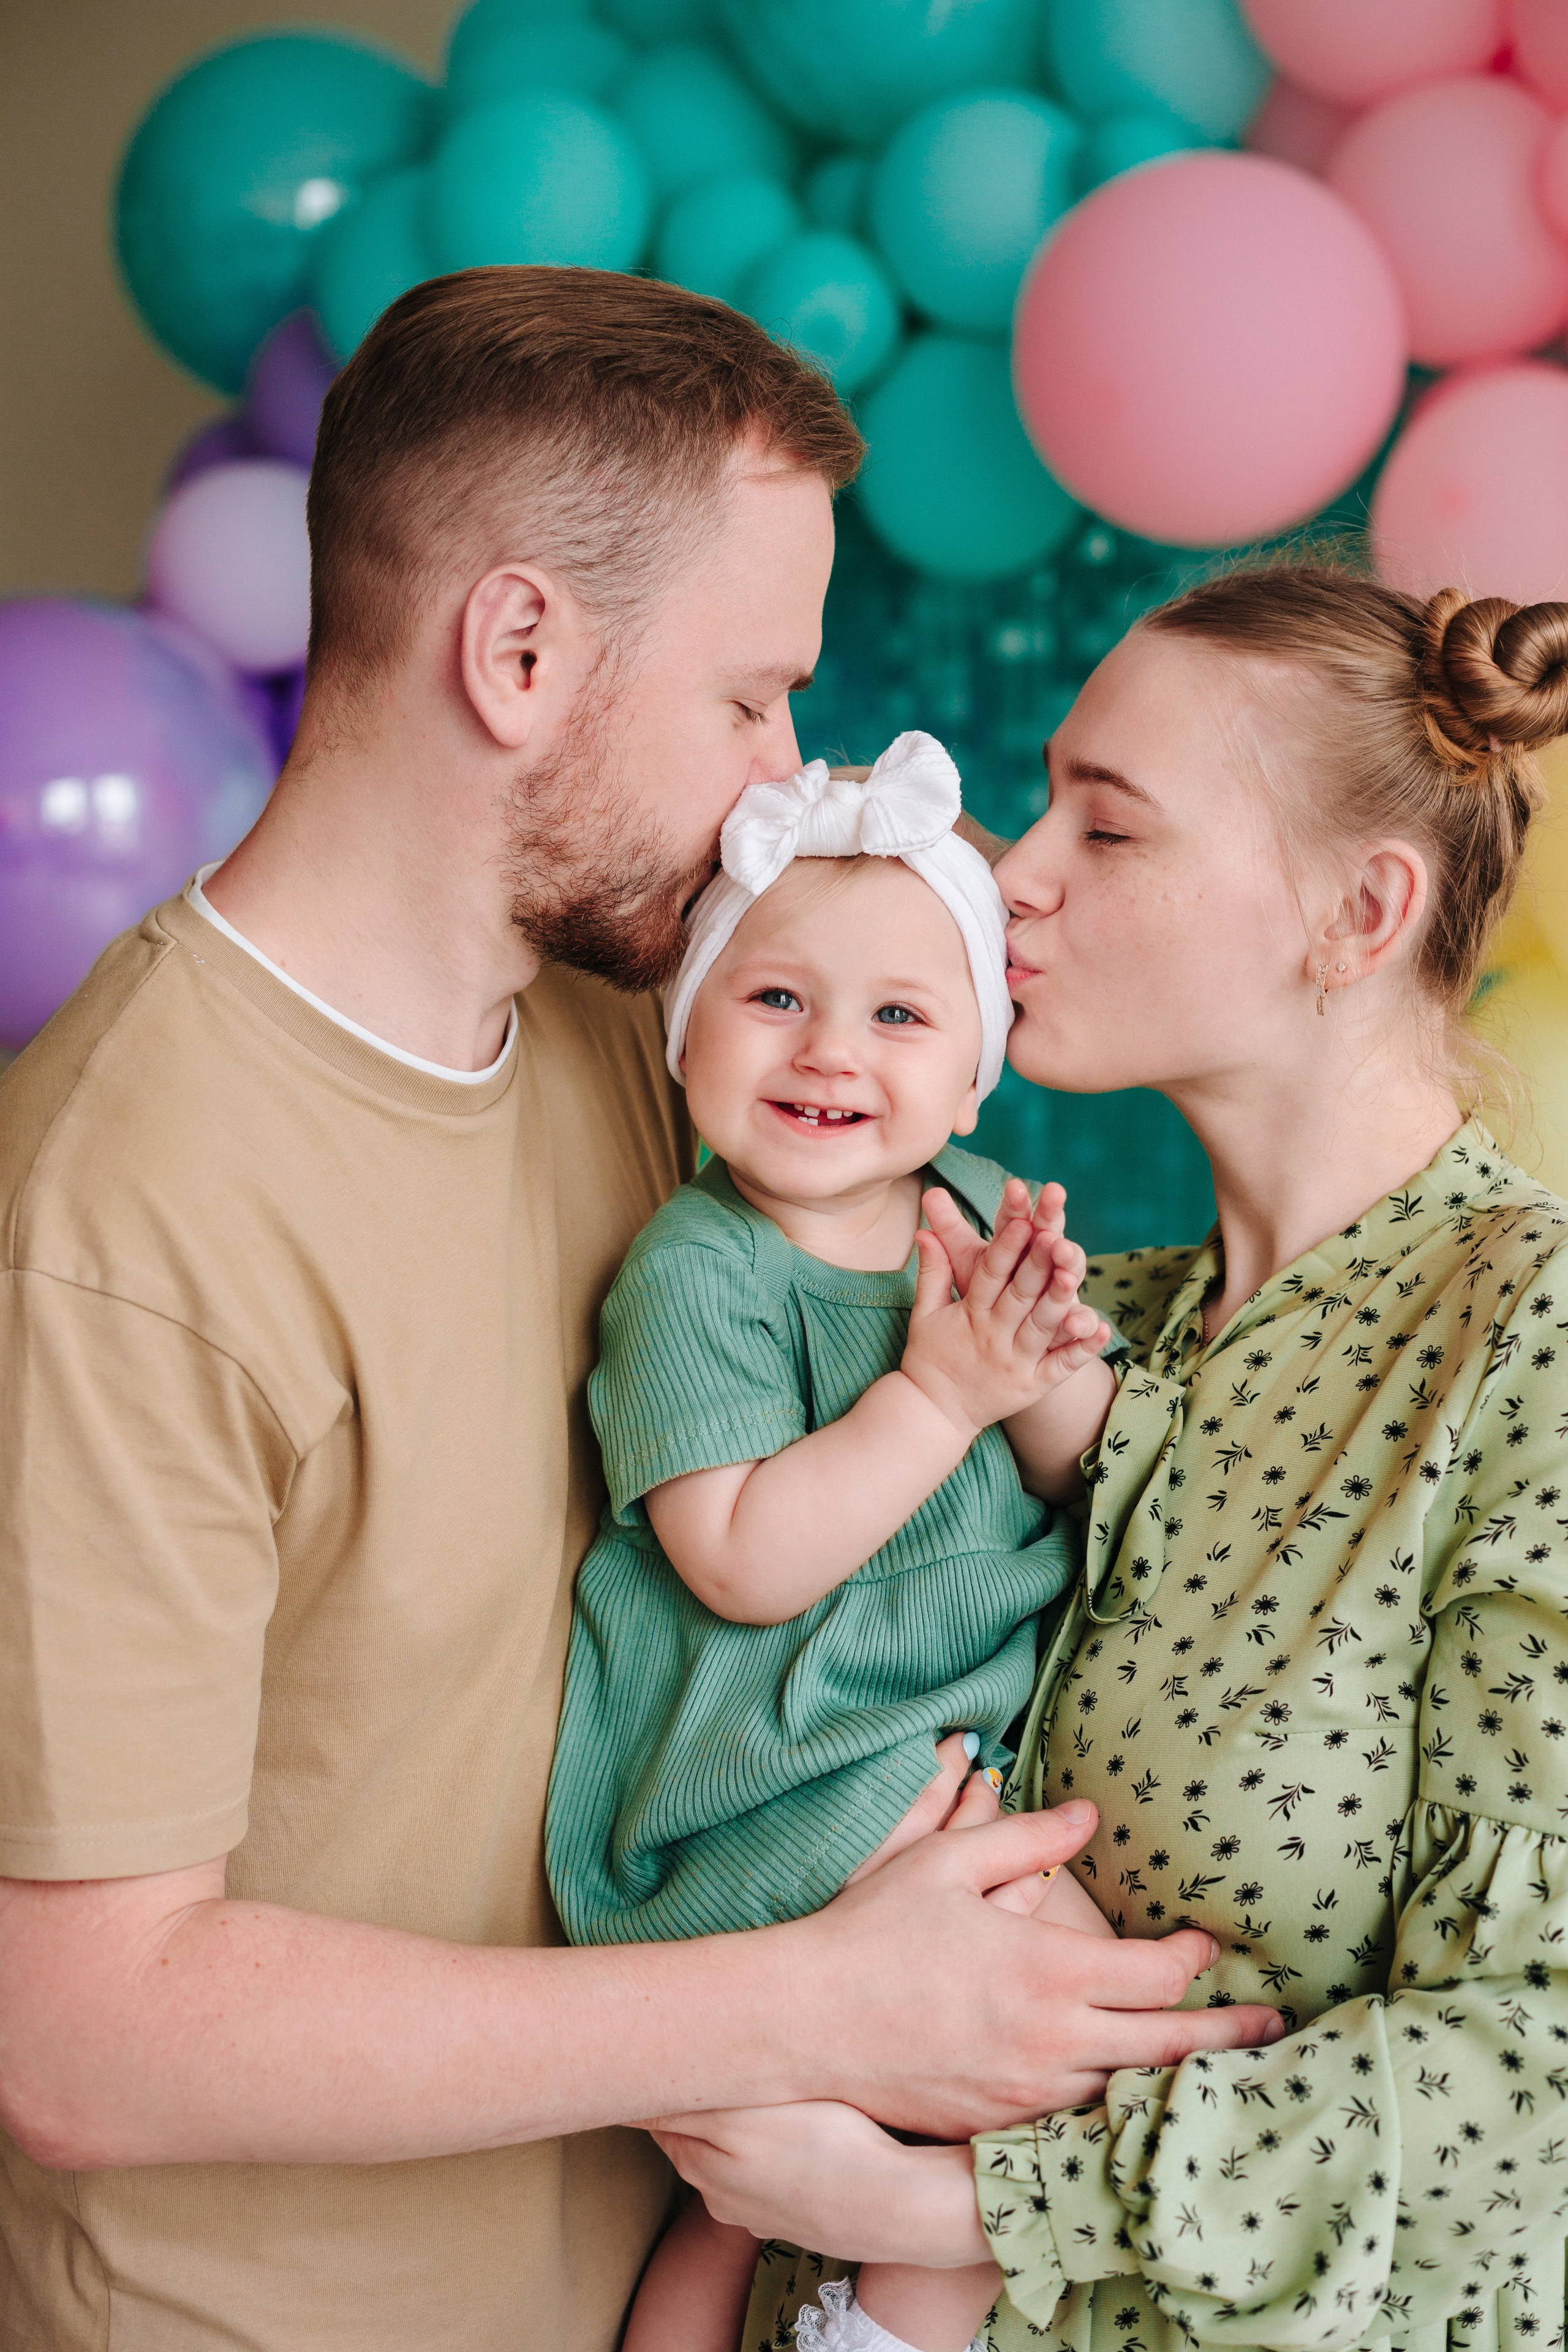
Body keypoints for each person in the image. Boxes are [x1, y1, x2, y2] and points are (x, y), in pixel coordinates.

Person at [0, 268, 1280, 2352]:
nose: (784, 775)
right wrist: (822, 2000)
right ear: (519, 653)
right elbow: (81, 2039)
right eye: (752, 697)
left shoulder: (665, 1047)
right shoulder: (113, 1219)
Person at [659, 566, 1568, 2352]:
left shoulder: (1526, 1340)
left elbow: (1536, 2081)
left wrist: (948, 2207)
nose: (1013, 874)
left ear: (1360, 912)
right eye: (1046, 798)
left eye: (1113, 824)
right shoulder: (1052, 1323)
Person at [546, 733, 1120, 2352]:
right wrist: (942, 1396)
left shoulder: (972, 1204)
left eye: (900, 1017)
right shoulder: (700, 1272)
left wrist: (1044, 1372)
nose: (831, 1052)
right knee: (1069, 2036)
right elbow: (740, 1559)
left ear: (976, 1071)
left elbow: (1079, 1469)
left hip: (911, 1750)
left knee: (748, 2189)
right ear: (688, 1026)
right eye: (777, 996)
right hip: (763, 1780)